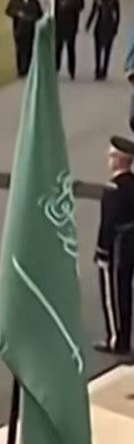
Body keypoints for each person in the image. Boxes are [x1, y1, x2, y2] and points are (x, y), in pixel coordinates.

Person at [94, 135, 134, 356]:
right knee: (126, 291)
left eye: (111, 156)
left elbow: (108, 223)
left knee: (115, 295)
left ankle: (117, 338)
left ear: (119, 160)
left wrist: (102, 250)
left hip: (117, 247)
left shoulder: (113, 189)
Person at [5, 0, 42, 78]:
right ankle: (20, 69)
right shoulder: (15, 0)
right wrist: (17, 13)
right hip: (18, 28)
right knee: (19, 49)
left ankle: (27, 69)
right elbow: (8, 11)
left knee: (29, 49)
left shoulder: (34, 1)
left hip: (30, 29)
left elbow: (39, 14)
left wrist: (32, 18)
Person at [86, 0, 120, 80]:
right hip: (99, 27)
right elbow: (93, 13)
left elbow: (117, 15)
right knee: (97, 49)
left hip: (109, 27)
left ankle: (104, 70)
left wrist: (116, 27)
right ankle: (97, 71)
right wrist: (88, 25)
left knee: (107, 50)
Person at [55, 0, 85, 80]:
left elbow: (80, 6)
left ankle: (71, 70)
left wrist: (68, 6)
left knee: (70, 48)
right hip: (59, 24)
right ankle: (56, 68)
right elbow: (53, 7)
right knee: (58, 48)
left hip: (71, 24)